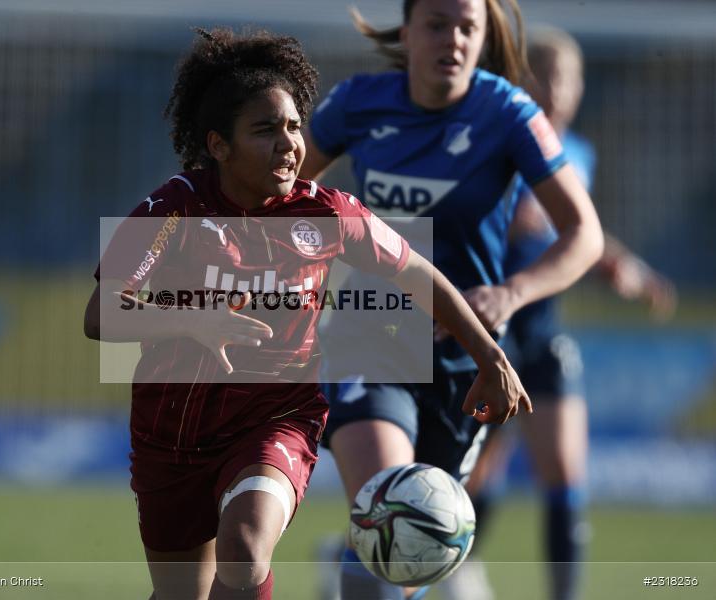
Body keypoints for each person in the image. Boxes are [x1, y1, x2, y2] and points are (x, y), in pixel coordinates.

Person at [83, 27, 531, 600]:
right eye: (265, 130)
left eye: (294, 126)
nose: (289, 144)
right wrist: (193, 320)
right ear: (218, 145)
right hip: (170, 432)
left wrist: (488, 354)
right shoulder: (171, 209)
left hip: (276, 417)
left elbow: (419, 274)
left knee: (244, 551)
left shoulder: (328, 212)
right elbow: (102, 314)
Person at [298, 1, 605, 599]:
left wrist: (511, 293)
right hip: (373, 334)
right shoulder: (356, 103)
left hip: (467, 359)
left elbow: (584, 234)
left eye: (469, 28)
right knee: (390, 507)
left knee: (416, 553)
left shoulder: (509, 111)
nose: (455, 39)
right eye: (438, 24)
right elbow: (278, 198)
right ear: (408, 30)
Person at [444, 27, 678, 600]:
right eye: (540, 76)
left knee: (564, 471)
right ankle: (406, 565)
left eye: (564, 78)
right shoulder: (498, 141)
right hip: (485, 327)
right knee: (470, 477)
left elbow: (581, 232)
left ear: (578, 88)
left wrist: (631, 270)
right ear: (520, 83)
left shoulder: (580, 155)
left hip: (542, 327)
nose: (553, 89)